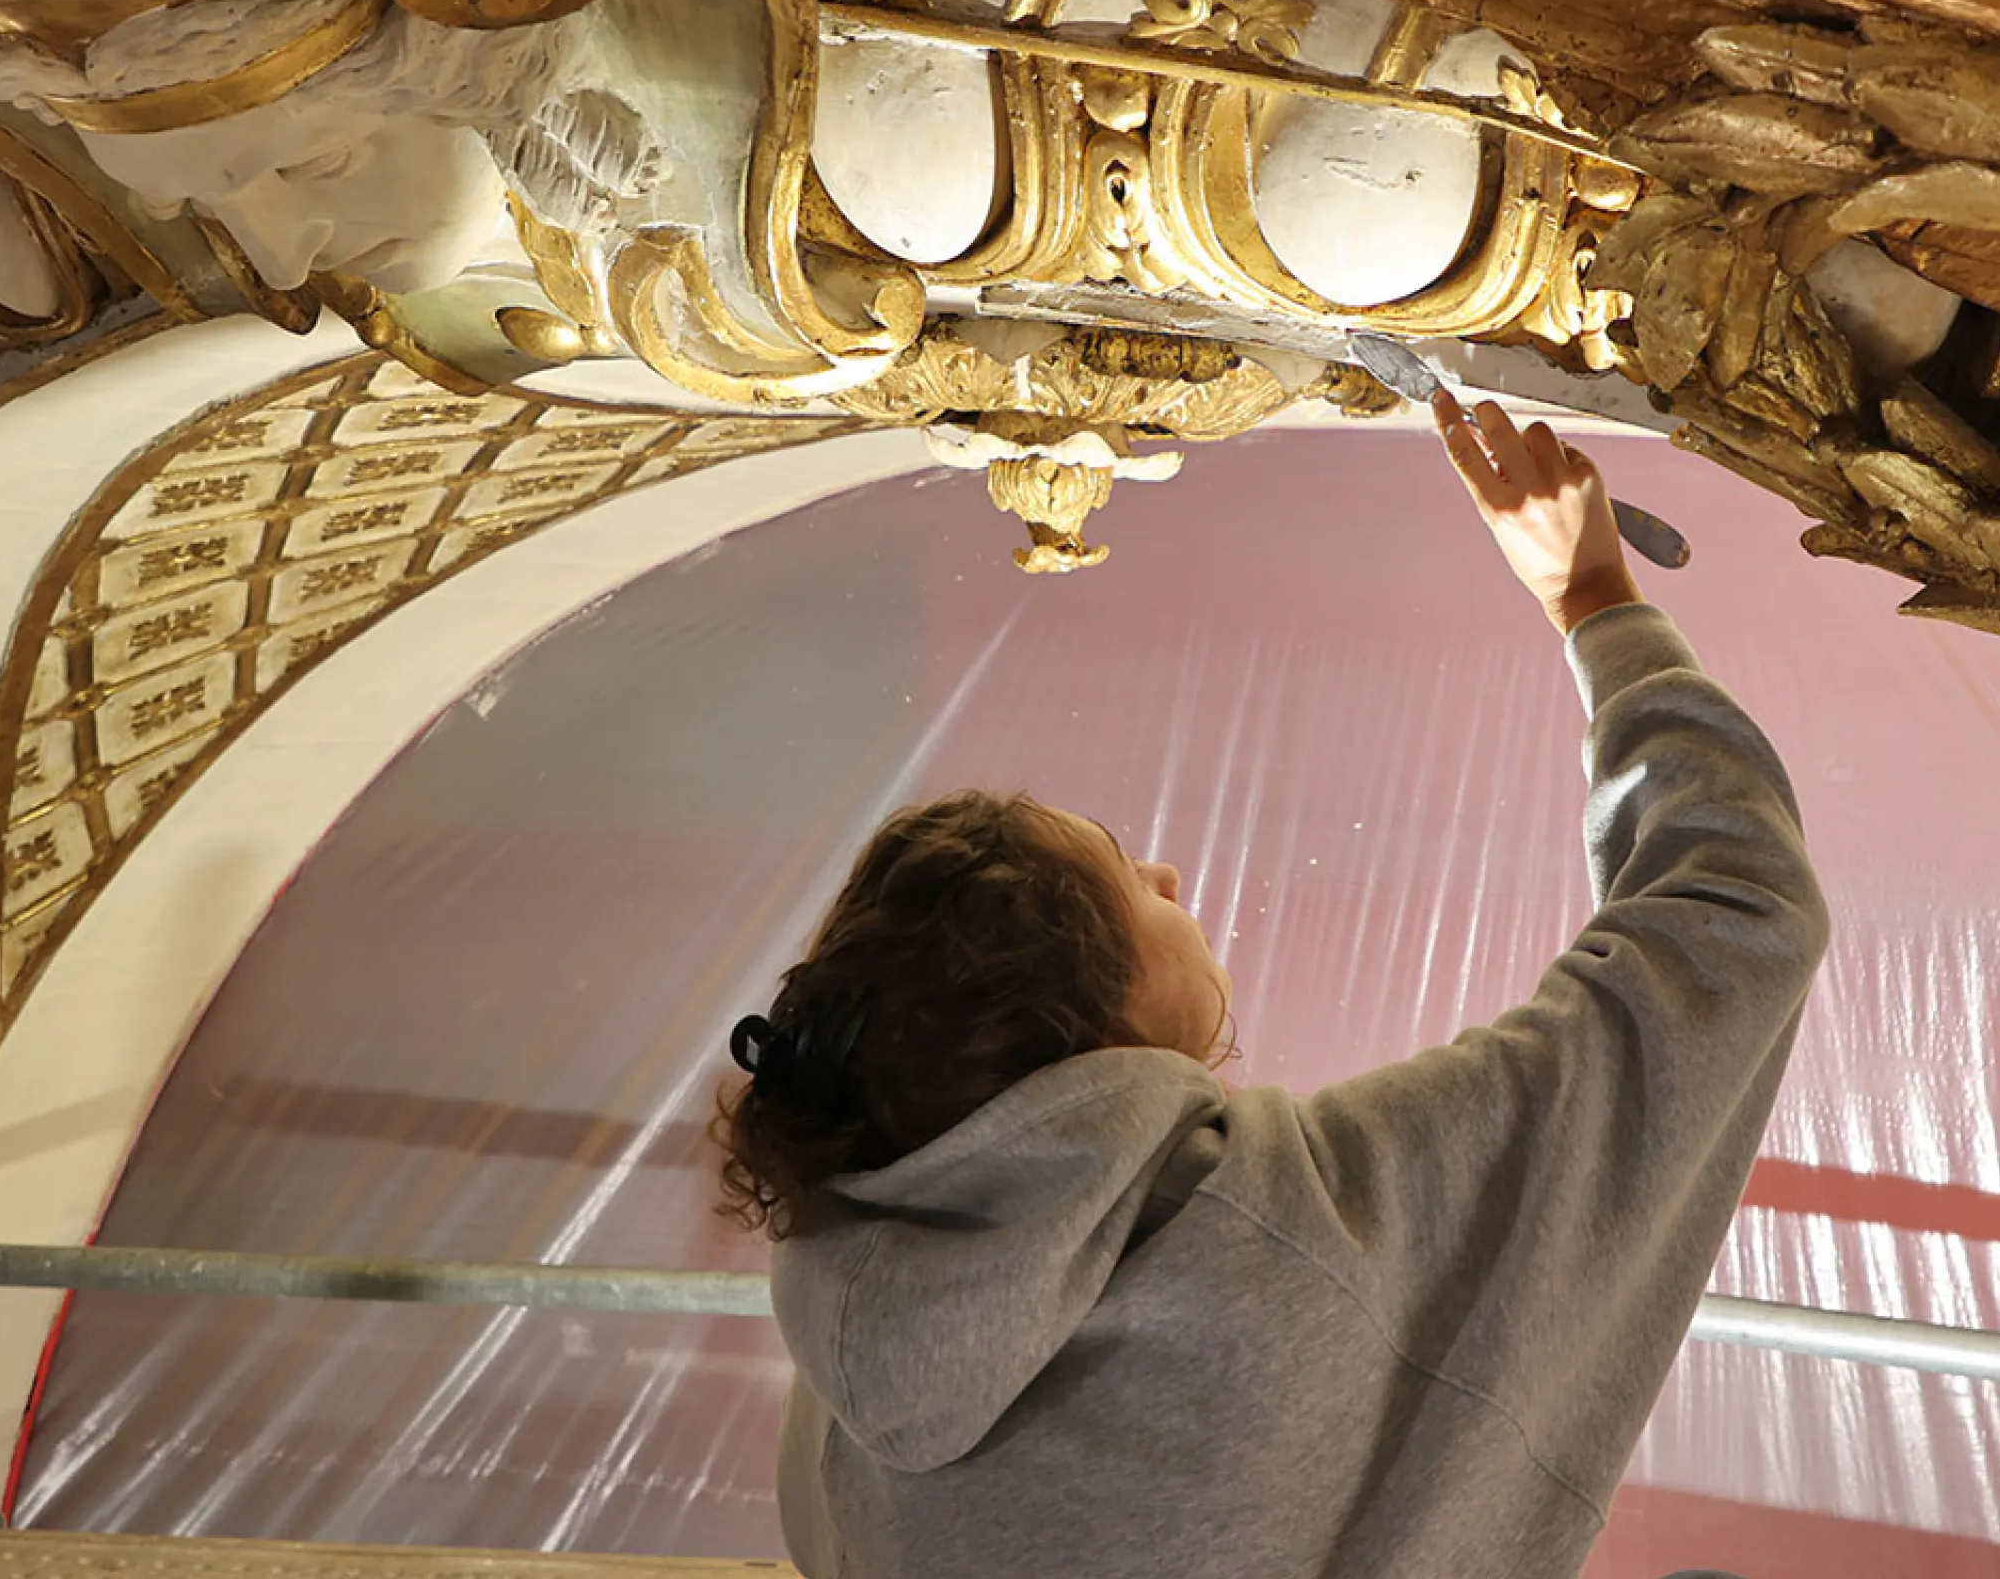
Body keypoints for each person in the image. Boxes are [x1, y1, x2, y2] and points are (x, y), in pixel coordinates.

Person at [717, 390, 1828, 1577]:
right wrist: (1596, 600)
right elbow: (1737, 914)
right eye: (1126, 879)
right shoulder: (1292, 1237)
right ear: (1086, 1024)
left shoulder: (851, 1329)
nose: (1168, 873)